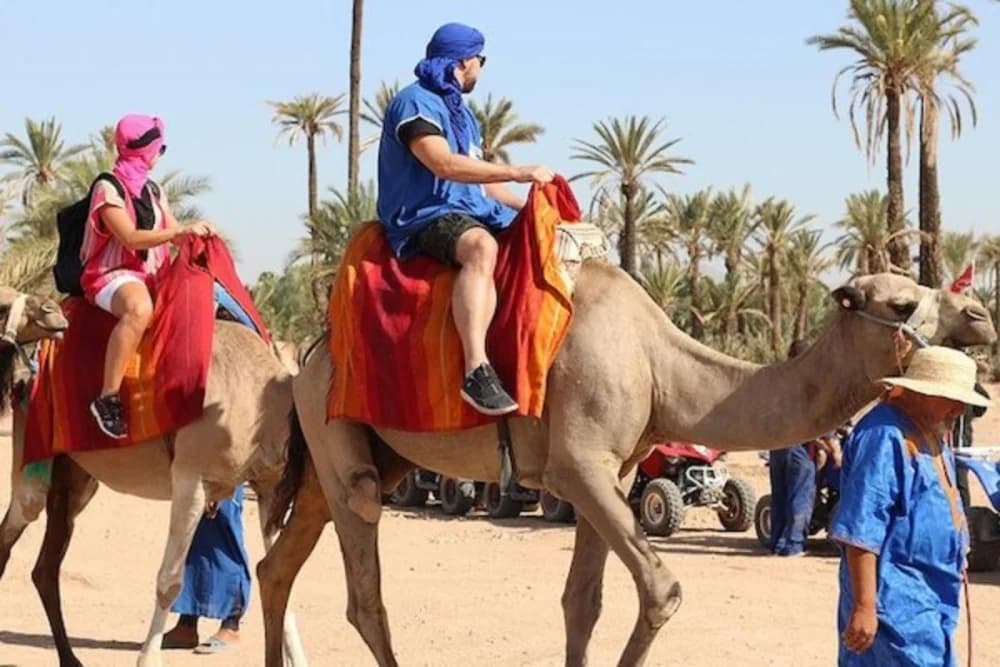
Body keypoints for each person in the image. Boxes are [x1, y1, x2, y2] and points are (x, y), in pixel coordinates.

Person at [376, 22, 554, 416]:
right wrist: (518, 171)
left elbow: (482, 183)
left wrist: (530, 208)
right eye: (481, 61)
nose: (480, 69)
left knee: (543, 241)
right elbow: (442, 164)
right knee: (480, 246)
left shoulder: (463, 116)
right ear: (465, 61)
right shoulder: (414, 103)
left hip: (471, 209)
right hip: (426, 216)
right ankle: (476, 368)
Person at [830, 346, 988, 666]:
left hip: (929, 593)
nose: (958, 409)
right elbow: (862, 527)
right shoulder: (884, 436)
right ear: (921, 392)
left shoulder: (930, 431)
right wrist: (864, 606)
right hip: (895, 597)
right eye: (950, 398)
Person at [82, 114, 214, 438]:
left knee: (209, 298)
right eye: (160, 147)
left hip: (153, 274)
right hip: (112, 275)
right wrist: (176, 233)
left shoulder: (154, 190)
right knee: (139, 309)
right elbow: (129, 237)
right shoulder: (107, 188)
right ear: (144, 150)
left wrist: (197, 236)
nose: (160, 154)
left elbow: (172, 230)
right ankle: (107, 397)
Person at [162, 486, 251, 654]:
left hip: (223, 475)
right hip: (197, 473)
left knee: (223, 537)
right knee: (191, 537)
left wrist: (219, 486)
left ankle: (231, 625)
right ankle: (187, 623)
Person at [768, 339, 836, 557]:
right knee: (801, 495)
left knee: (780, 495)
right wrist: (831, 446)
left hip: (777, 444)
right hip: (799, 447)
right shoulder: (808, 383)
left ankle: (777, 543)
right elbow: (816, 417)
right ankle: (794, 544)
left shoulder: (779, 381)